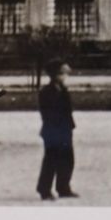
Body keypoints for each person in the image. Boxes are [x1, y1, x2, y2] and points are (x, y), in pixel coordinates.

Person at [35, 59, 79, 200]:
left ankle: (63, 187)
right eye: (62, 73)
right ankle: (44, 189)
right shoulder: (46, 92)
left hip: (64, 129)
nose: (65, 76)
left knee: (67, 159)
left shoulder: (63, 90)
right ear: (55, 74)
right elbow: (47, 113)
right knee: (51, 160)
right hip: (53, 130)